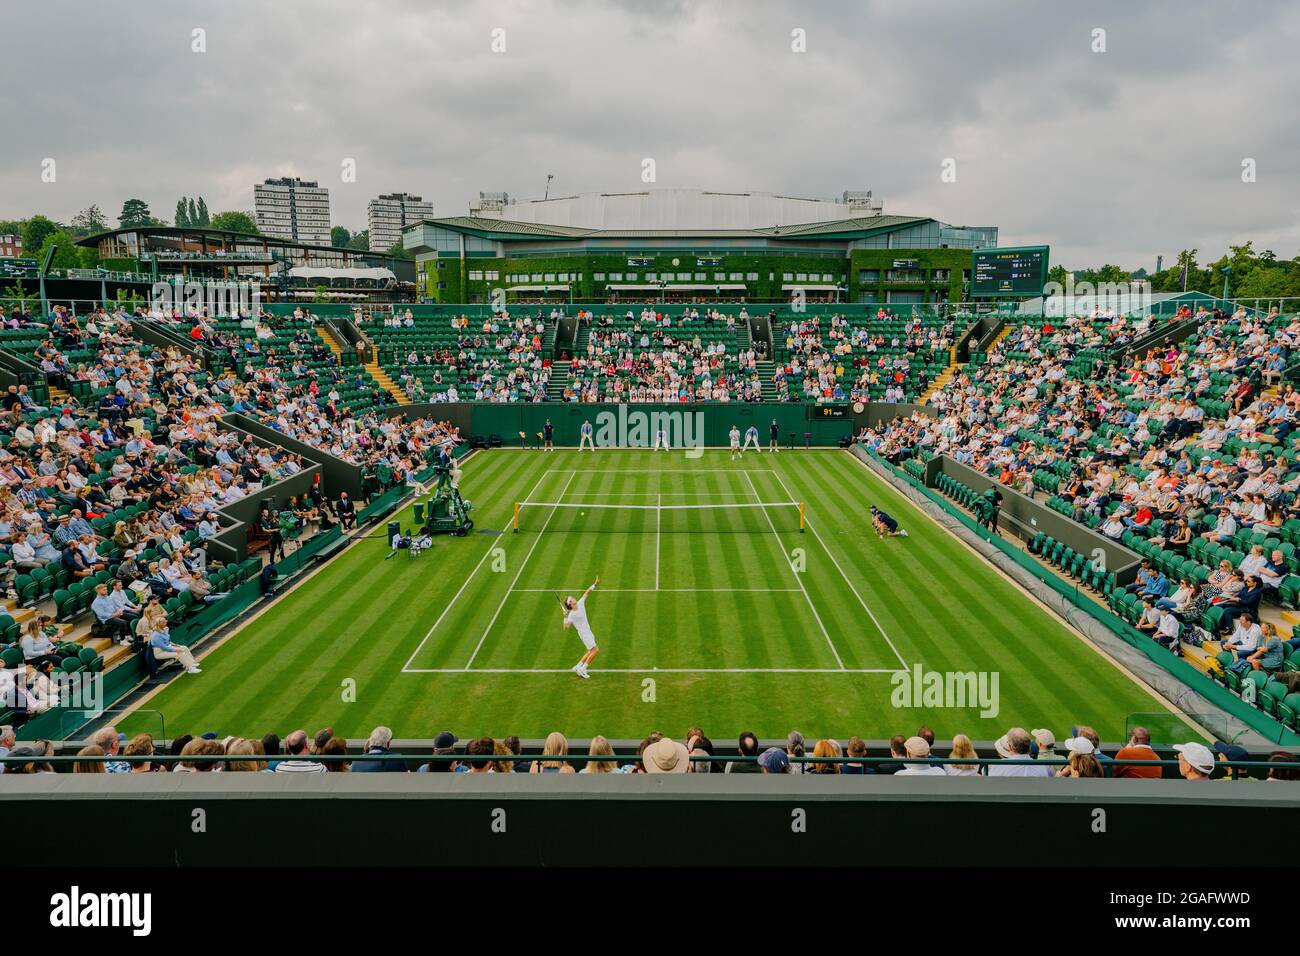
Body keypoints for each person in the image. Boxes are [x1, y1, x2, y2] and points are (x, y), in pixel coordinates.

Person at [563, 576, 601, 679]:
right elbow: (565, 628)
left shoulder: (580, 603)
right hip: (584, 634)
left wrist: (595, 584)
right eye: (571, 600)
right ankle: (583, 669)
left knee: (590, 650)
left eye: (572, 598)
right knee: (595, 650)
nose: (573, 598)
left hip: (587, 631)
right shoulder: (571, 615)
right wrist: (565, 617)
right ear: (570, 604)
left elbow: (587, 592)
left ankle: (578, 666)